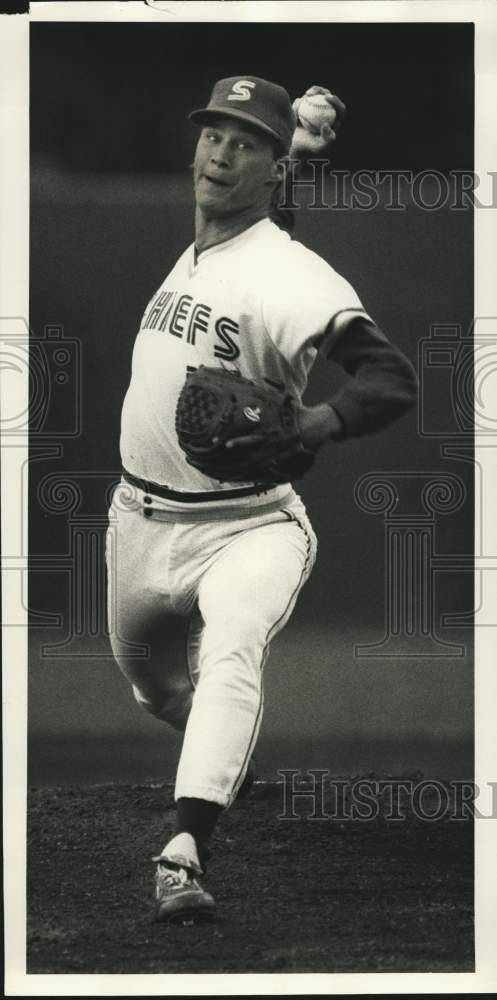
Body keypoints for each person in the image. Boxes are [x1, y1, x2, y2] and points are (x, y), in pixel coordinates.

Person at [106, 76, 418, 922]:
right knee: (152, 689)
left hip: (249, 524)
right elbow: (259, 232)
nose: (220, 152)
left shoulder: (291, 272)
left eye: (246, 142)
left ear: (269, 167)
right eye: (214, 133)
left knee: (231, 652)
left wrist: (317, 422)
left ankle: (183, 851)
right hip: (137, 527)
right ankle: (225, 766)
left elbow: (392, 377)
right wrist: (300, 156)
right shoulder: (210, 243)